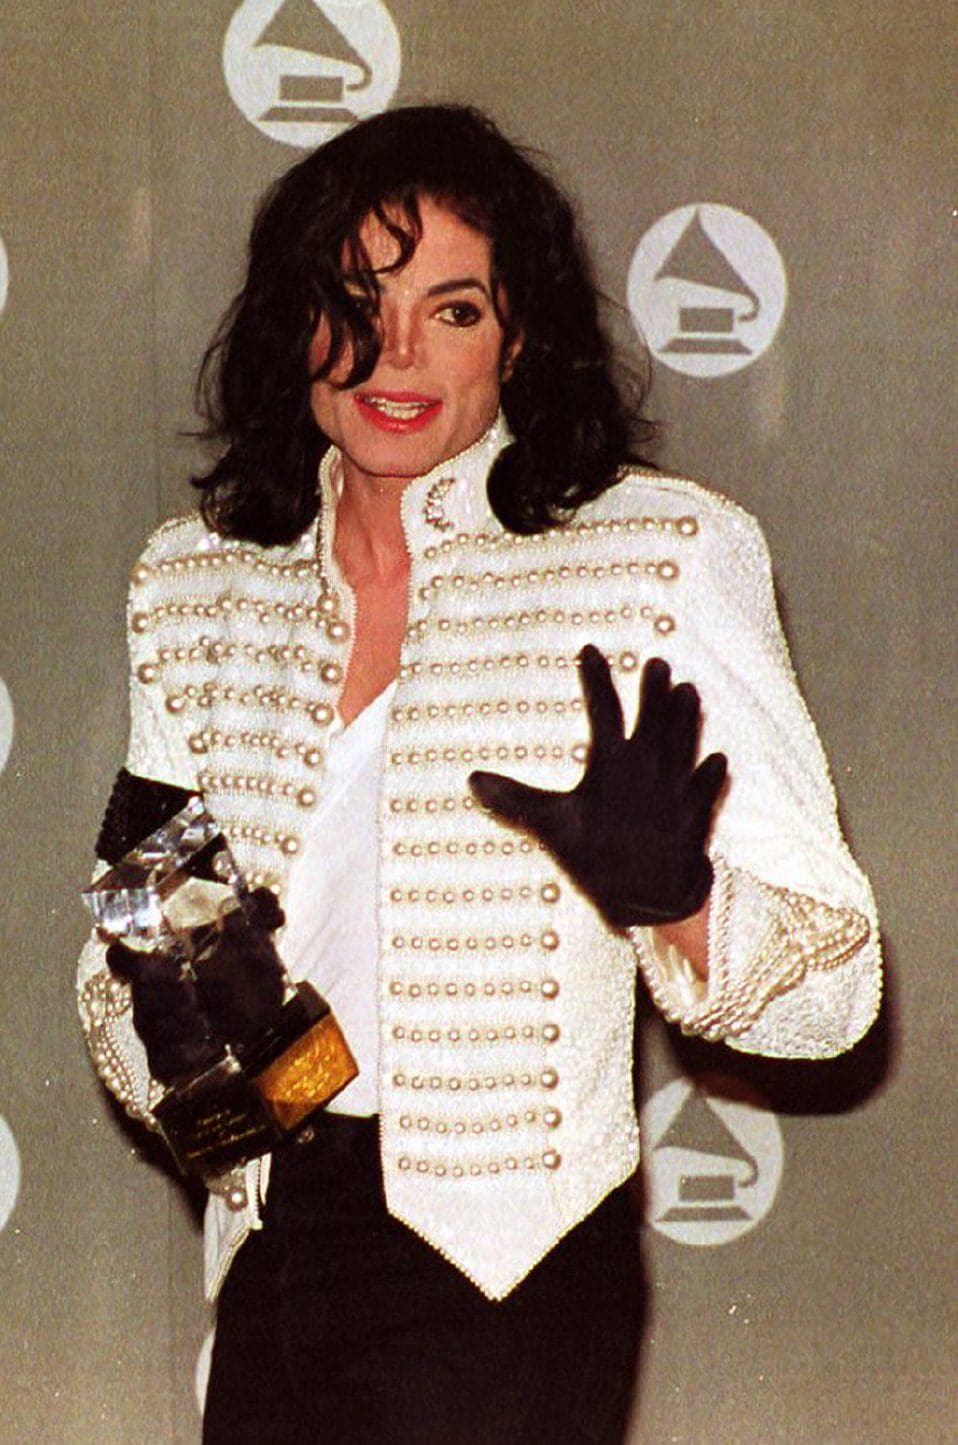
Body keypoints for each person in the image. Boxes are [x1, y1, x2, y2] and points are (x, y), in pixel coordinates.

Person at [77, 104, 881, 1443]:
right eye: (354, 302)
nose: (395, 354)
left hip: (504, 1269)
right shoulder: (198, 580)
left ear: (518, 339)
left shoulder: (659, 557)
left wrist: (677, 898)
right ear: (295, 323)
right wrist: (189, 1056)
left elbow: (835, 997)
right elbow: (133, 944)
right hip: (271, 1239)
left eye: (452, 310)